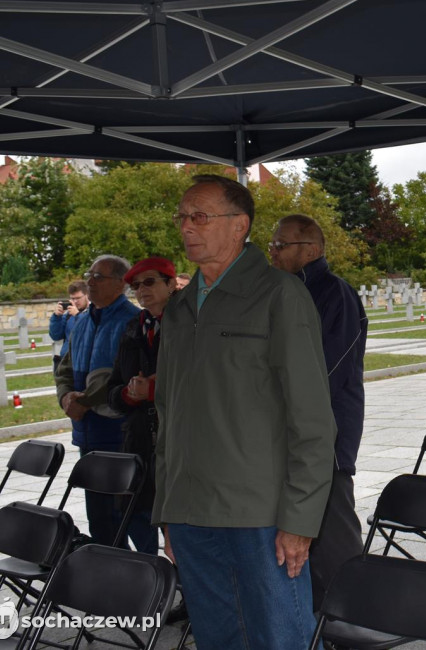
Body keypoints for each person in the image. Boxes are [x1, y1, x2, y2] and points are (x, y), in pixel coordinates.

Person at [154, 174, 336, 650]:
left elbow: (312, 419)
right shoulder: (178, 310)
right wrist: (168, 510)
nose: (188, 227)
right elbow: (167, 417)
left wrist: (300, 519)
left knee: (281, 639)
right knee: (218, 640)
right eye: (183, 217)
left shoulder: (279, 295)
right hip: (192, 513)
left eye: (200, 216)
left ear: (240, 226)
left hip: (262, 515)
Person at [269, 214, 367, 610]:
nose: (272, 252)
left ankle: (358, 617)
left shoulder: (334, 294)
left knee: (333, 536)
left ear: (310, 250)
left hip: (327, 437)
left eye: (281, 245)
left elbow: (325, 371)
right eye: (272, 244)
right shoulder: (283, 291)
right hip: (287, 436)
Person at [55, 255, 141, 547]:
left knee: (129, 516)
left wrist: (86, 401)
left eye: (98, 277)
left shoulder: (132, 320)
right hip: (87, 435)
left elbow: (124, 373)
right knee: (99, 519)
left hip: (119, 434)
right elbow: (64, 367)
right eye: (89, 274)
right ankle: (110, 579)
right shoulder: (80, 322)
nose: (90, 282)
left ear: (120, 283)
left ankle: (143, 581)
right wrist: (66, 396)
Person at [105, 256, 179, 557]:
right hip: (139, 441)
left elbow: (203, 382)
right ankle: (155, 580)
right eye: (136, 285)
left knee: (178, 530)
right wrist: (128, 395)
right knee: (134, 514)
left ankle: (189, 596)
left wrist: (155, 390)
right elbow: (112, 390)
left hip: (177, 442)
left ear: (171, 283)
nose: (141, 290)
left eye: (149, 282)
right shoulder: (133, 328)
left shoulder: (189, 324)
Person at [48, 280, 88, 370]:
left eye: (78, 298)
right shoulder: (68, 315)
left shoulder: (94, 313)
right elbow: (56, 336)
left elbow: (88, 331)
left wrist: (78, 315)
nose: (75, 302)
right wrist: (56, 317)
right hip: (67, 363)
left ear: (87, 295)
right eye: (72, 299)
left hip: (84, 363)